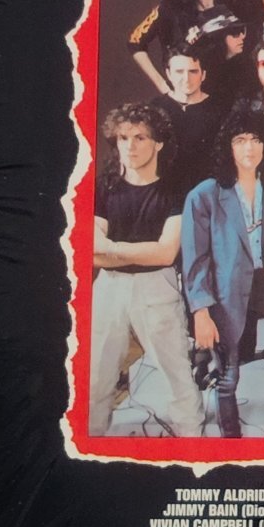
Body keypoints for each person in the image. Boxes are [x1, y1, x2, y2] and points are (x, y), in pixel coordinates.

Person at [89, 103, 202, 437]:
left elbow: (165, 253)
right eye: (123, 137)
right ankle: (91, 450)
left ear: (159, 143)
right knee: (95, 382)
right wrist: (135, 252)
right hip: (109, 288)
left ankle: (193, 451)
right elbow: (93, 253)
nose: (130, 146)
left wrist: (113, 249)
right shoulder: (104, 186)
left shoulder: (175, 190)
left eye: (140, 137)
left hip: (157, 288)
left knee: (177, 380)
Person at [181, 111, 264, 438]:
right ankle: (230, 438)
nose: (249, 148)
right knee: (228, 375)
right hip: (225, 292)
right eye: (240, 140)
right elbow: (195, 260)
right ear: (228, 146)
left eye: (256, 139)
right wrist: (201, 312)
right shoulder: (205, 194)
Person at [128, 0, 234, 98]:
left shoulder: (229, 10)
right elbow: (135, 42)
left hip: (222, 97)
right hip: (182, 98)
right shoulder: (169, 8)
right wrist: (162, 84)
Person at [150, 47, 224, 199]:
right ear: (168, 74)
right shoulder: (155, 108)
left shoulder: (219, 109)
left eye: (193, 71)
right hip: (163, 194)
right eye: (179, 72)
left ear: (203, 75)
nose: (186, 79)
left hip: (207, 195)